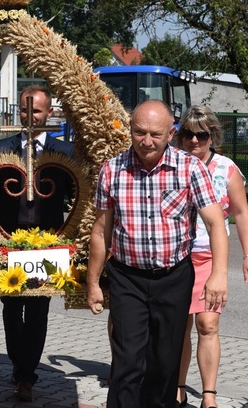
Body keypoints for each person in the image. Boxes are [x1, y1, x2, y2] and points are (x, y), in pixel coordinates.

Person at [86, 100, 229, 408]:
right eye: (139, 132)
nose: (146, 141)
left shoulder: (191, 168)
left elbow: (216, 223)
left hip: (174, 278)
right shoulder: (112, 170)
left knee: (164, 364)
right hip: (127, 278)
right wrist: (94, 282)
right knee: (127, 363)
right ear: (130, 130)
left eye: (155, 134)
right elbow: (100, 231)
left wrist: (218, 275)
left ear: (170, 133)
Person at [0, 85, 73, 402]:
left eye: (36, 111)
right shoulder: (2, 147)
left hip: (46, 241)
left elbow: (74, 196)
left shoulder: (62, 152)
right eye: (25, 111)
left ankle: (27, 375)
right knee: (12, 308)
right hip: (10, 237)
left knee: (37, 311)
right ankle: (17, 363)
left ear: (49, 113)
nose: (30, 117)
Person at [175, 106, 248, 408]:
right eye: (188, 134)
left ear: (212, 137)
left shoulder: (226, 168)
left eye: (201, 135)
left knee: (207, 324)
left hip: (210, 258)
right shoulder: (171, 165)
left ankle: (208, 394)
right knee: (179, 326)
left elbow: (240, 212)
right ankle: (178, 386)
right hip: (175, 258)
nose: (194, 141)